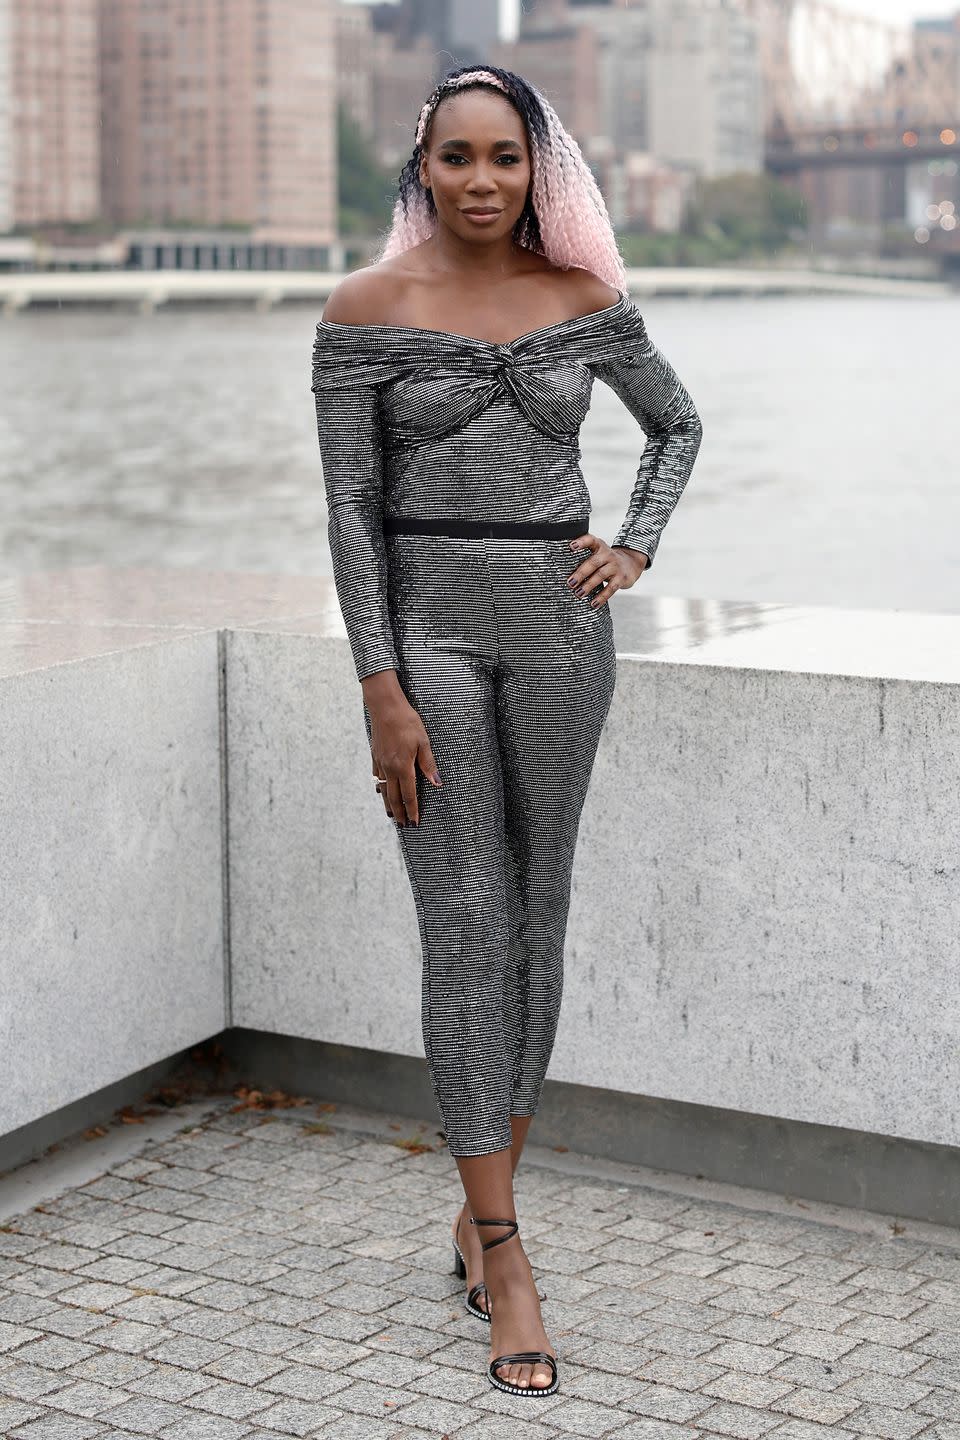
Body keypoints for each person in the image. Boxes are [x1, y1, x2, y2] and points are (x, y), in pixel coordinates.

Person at [311, 63, 703, 1400]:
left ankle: (487, 1203)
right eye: (457, 157)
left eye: (507, 158)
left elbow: (677, 426)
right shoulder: (363, 314)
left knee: (538, 917)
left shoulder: (586, 304)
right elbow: (352, 510)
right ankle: (504, 1246)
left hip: (559, 628)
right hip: (426, 633)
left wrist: (634, 549)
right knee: (461, 927)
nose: (483, 180)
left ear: (541, 171)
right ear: (420, 168)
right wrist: (378, 683)